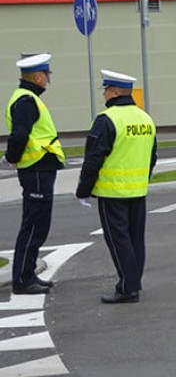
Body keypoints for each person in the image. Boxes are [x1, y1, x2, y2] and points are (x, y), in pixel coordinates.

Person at [75, 70, 158, 304]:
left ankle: (128, 288)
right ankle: (133, 282)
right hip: (137, 191)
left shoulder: (106, 120)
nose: (104, 95)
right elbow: (152, 156)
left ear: (113, 92)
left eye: (105, 91)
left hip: (112, 192)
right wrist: (143, 180)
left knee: (118, 240)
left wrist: (83, 191)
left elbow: (93, 159)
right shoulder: (145, 118)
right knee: (135, 239)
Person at [4, 53, 65, 294]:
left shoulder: (28, 98)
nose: (48, 79)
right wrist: (11, 158)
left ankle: (28, 274)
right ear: (38, 76)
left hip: (40, 168)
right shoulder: (26, 100)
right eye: (46, 75)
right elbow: (19, 134)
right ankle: (22, 279)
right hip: (37, 168)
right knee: (33, 225)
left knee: (38, 225)